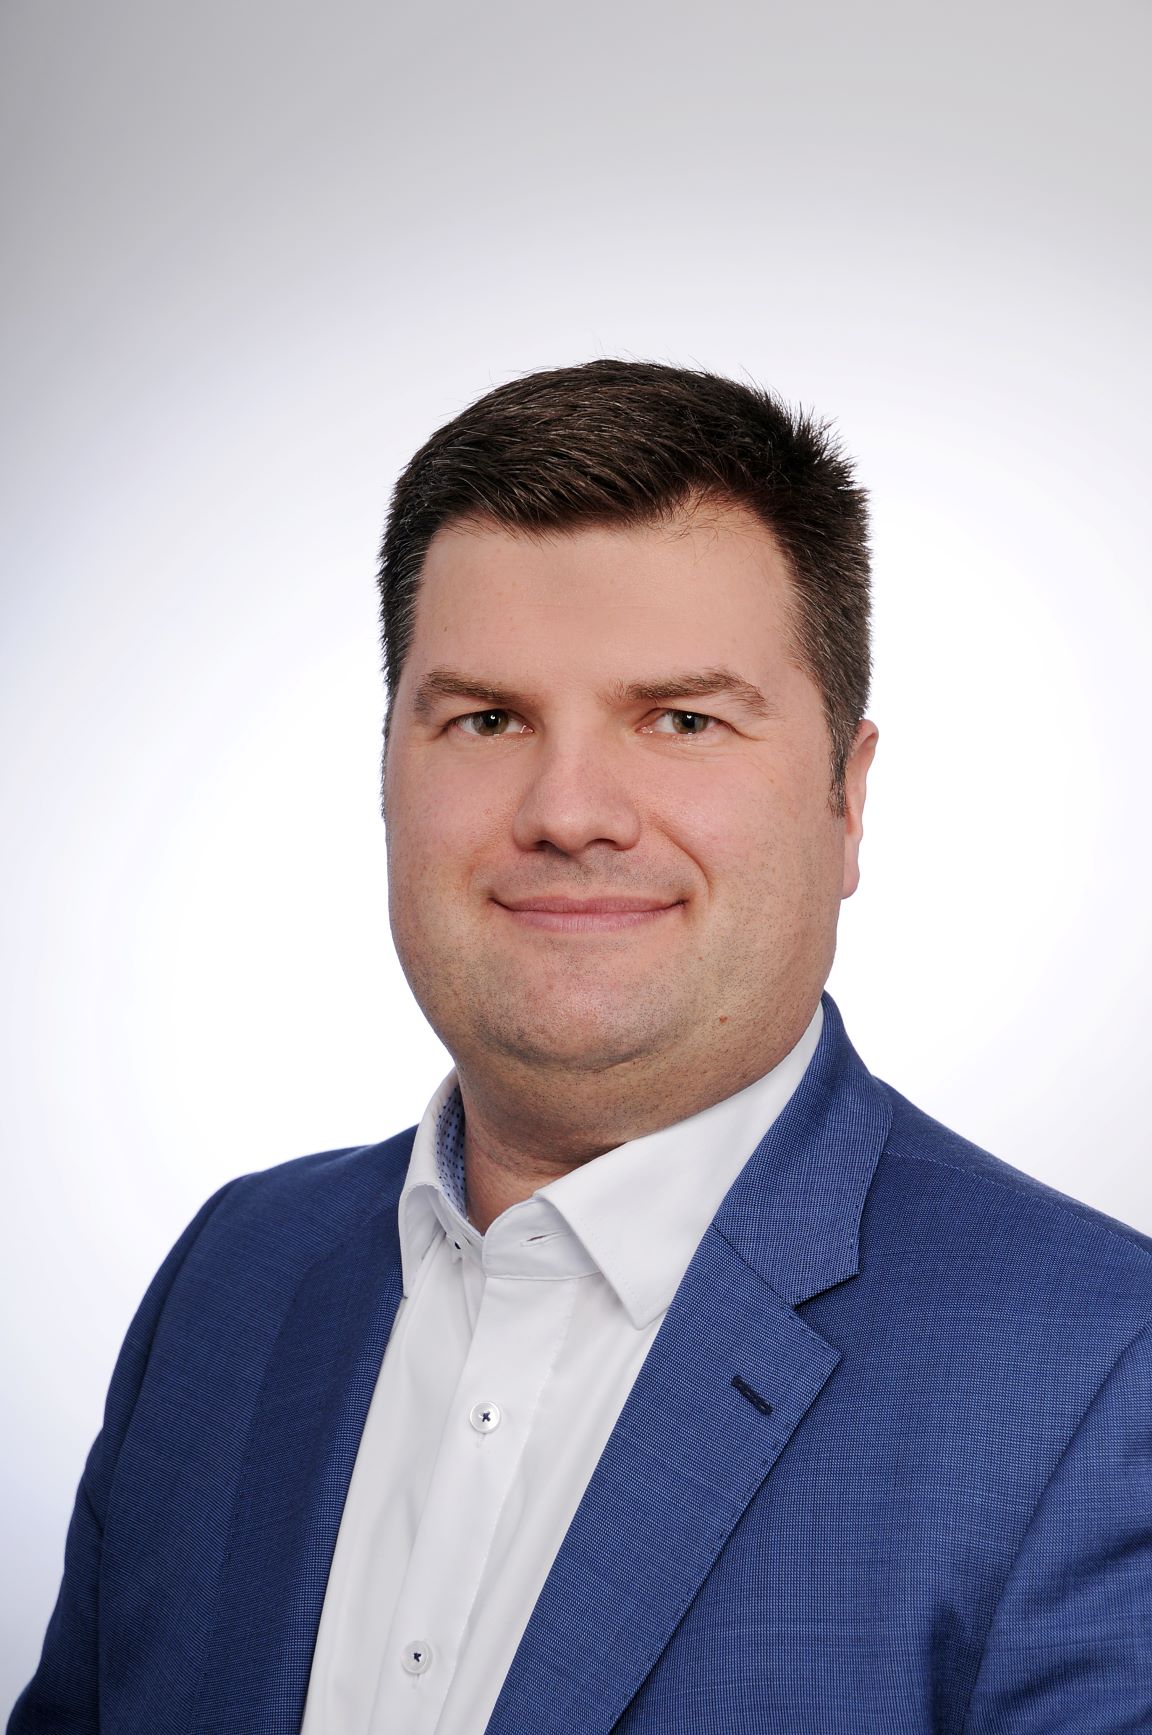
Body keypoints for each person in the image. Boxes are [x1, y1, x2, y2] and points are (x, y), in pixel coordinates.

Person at [11, 359, 1152, 1734]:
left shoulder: (1102, 1377)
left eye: (681, 719)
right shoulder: (232, 1280)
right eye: (488, 719)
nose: (569, 811)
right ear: (387, 772)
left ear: (847, 801)